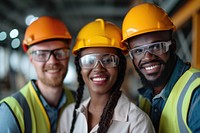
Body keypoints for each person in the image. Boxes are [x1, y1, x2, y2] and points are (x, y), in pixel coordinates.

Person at [57, 18, 155, 133]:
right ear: (80, 68)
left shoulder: (137, 122)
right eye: (89, 60)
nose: (98, 68)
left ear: (120, 67)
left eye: (108, 60)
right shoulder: (68, 116)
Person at [122, 3, 200, 133]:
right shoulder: (145, 97)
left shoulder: (196, 93)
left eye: (156, 46)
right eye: (138, 50)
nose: (147, 57)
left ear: (173, 46)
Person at [0, 16, 75, 133]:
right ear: (31, 59)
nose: (52, 61)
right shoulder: (11, 112)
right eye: (41, 54)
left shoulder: (78, 102)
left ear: (68, 55)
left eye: (59, 52)